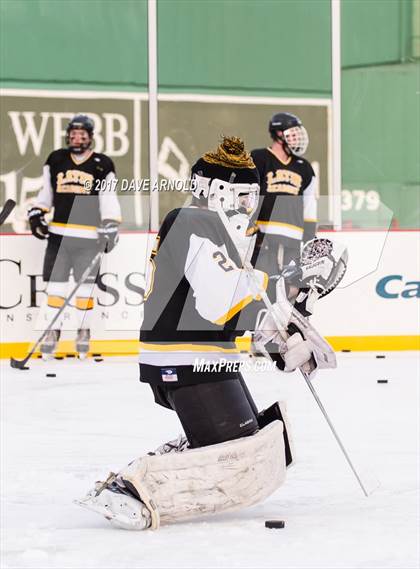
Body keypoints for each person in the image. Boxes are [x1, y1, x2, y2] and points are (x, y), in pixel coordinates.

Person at [76, 137, 341, 531]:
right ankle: (132, 488)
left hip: (203, 357)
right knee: (241, 455)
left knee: (260, 444)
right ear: (218, 190)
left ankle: (174, 456)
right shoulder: (192, 220)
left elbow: (232, 309)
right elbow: (221, 300)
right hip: (182, 358)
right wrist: (289, 282)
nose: (248, 208)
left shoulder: (213, 230)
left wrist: (285, 333)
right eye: (245, 196)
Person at [27, 114, 121, 359]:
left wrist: (110, 223)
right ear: (68, 135)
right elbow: (46, 192)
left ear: (90, 138)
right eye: (73, 134)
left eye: (82, 134)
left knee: (85, 291)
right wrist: (38, 212)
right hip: (58, 236)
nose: (77, 138)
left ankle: (83, 331)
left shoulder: (102, 164)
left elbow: (108, 198)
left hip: (89, 239)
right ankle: (52, 332)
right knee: (54, 289)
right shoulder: (56, 159)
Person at [251, 112, 318, 275]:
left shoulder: (305, 167)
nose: (297, 138)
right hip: (263, 238)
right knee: (263, 285)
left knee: (291, 287)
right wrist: (250, 227)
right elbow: (248, 196)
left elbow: (309, 206)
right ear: (279, 133)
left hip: (293, 240)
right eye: (293, 133)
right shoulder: (258, 158)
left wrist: (309, 238)